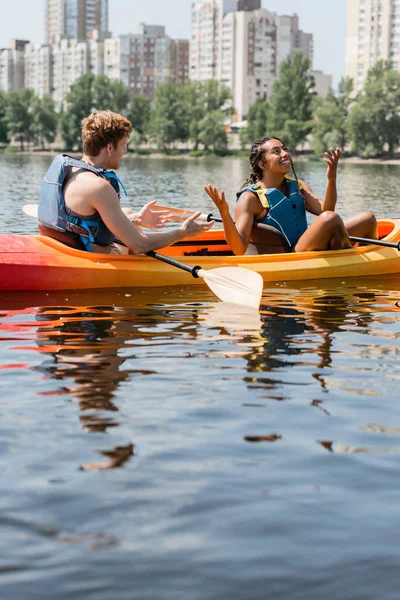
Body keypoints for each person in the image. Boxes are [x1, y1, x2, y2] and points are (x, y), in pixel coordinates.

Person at [38, 110, 213, 254]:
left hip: (70, 243)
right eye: (124, 145)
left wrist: (135, 218)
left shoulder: (71, 170)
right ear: (109, 148)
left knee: (128, 212)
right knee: (138, 238)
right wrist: (182, 233)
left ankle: (133, 221)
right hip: (93, 257)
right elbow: (140, 245)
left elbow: (84, 220)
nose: (125, 151)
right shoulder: (98, 187)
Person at [204, 136, 377, 255]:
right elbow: (239, 248)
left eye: (285, 149)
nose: (285, 154)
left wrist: (331, 179)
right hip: (291, 254)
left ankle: (357, 258)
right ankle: (344, 252)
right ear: (261, 163)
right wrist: (225, 214)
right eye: (276, 151)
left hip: (308, 243)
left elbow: (325, 209)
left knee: (368, 219)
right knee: (329, 219)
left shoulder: (298, 186)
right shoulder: (250, 199)